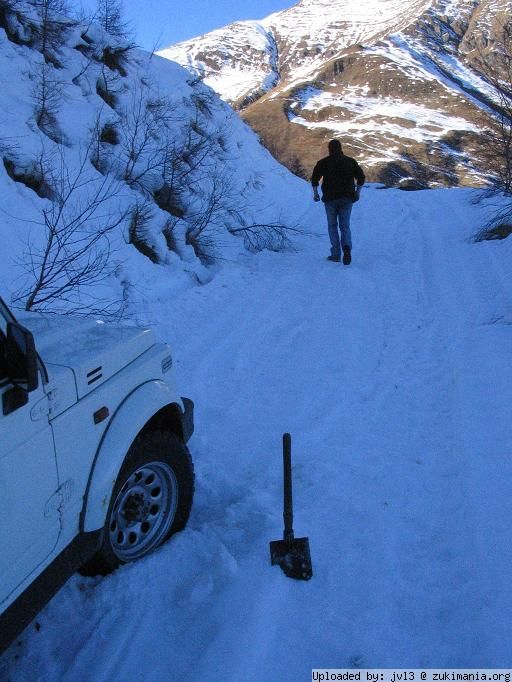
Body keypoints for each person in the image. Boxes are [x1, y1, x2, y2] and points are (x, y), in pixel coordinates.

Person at [311, 139, 365, 265]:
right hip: (347, 198)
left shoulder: (323, 163)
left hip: (330, 199)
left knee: (332, 226)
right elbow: (361, 177)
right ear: (341, 148)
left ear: (329, 149)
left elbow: (314, 179)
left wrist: (316, 193)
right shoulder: (350, 161)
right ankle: (346, 248)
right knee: (344, 226)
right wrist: (357, 192)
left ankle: (335, 254)